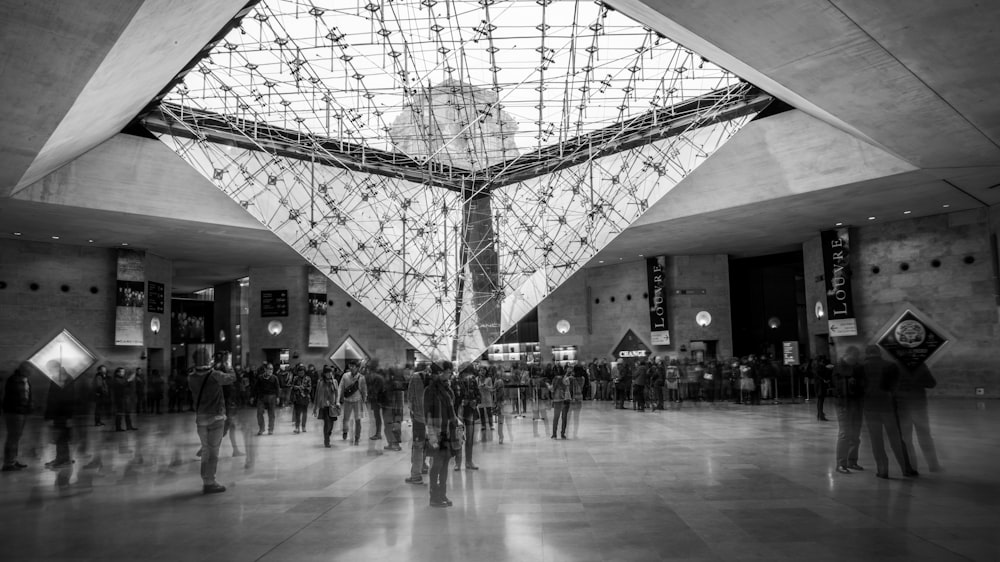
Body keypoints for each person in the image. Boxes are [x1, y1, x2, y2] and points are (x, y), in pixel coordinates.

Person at [861, 345, 914, 479]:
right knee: (895, 438)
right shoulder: (891, 366)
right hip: (887, 407)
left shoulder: (860, 367)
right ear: (879, 353)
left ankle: (883, 470)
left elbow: (859, 387)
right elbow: (895, 388)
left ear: (867, 353)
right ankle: (905, 469)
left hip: (870, 407)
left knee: (876, 440)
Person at [188, 353, 236, 494]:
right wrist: (228, 365)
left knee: (205, 450)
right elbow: (232, 378)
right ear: (208, 360)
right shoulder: (215, 375)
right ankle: (210, 482)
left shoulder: (191, 377)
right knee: (213, 451)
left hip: (201, 417)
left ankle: (205, 479)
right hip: (216, 417)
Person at [896, 362, 942, 474]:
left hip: (902, 407)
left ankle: (912, 467)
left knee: (906, 439)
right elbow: (932, 384)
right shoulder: (920, 366)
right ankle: (933, 466)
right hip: (919, 405)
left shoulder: (895, 366)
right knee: (925, 436)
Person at [425, 361, 458, 507]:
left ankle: (442, 493)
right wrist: (432, 436)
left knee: (445, 464)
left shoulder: (447, 389)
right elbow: (428, 415)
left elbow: (452, 412)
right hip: (436, 432)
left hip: (447, 432)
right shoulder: (430, 391)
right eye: (448, 372)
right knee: (437, 464)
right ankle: (434, 496)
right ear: (440, 373)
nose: (450, 374)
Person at [832, 346, 866, 474]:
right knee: (845, 433)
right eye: (854, 358)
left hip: (857, 404)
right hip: (843, 404)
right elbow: (837, 386)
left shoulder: (858, 368)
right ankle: (841, 463)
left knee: (855, 434)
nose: (855, 360)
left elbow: (863, 384)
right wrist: (850, 381)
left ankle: (852, 461)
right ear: (847, 356)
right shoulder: (838, 367)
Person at [405, 364, 432, 485]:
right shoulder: (432, 378)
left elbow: (410, 398)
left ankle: (416, 475)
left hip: (418, 417)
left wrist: (412, 412)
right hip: (431, 417)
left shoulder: (415, 378)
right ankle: (424, 466)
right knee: (426, 442)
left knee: (417, 445)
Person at [3, 367, 32, 472]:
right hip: (14, 412)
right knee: (13, 437)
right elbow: (14, 397)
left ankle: (13, 460)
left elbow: (27, 395)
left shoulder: (25, 380)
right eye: (30, 369)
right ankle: (8, 463)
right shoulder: (14, 380)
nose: (31, 371)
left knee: (16, 437)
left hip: (21, 411)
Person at [451, 367, 480, 470]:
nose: (469, 375)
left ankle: (469, 461)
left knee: (470, 436)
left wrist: (475, 401)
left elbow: (478, 395)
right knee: (458, 437)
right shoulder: (454, 380)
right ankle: (458, 462)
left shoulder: (472, 381)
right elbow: (452, 397)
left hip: (470, 410)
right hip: (459, 410)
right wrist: (461, 401)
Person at [339, 364, 367, 445]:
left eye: (353, 366)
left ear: (357, 368)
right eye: (350, 366)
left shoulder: (361, 377)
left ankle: (357, 437)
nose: (351, 368)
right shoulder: (345, 376)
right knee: (346, 418)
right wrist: (338, 399)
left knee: (358, 420)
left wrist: (364, 399)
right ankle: (345, 431)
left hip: (357, 401)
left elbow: (364, 390)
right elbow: (341, 387)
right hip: (347, 400)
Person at [313, 367, 340, 448]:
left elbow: (337, 393)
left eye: (331, 372)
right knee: (327, 423)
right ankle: (326, 440)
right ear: (324, 374)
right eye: (327, 373)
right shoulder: (320, 382)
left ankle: (328, 433)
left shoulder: (334, 382)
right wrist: (315, 408)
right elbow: (317, 395)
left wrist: (338, 402)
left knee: (331, 424)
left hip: (333, 406)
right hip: (324, 405)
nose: (329, 374)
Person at [383, 367, 405, 451]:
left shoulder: (391, 384)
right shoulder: (399, 383)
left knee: (389, 426)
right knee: (395, 426)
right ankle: (394, 444)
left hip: (390, 408)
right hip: (396, 408)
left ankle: (393, 444)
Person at [254, 363, 279, 435]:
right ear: (265, 369)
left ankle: (270, 429)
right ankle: (261, 428)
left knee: (271, 414)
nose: (271, 370)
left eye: (272, 369)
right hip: (262, 398)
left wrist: (277, 397)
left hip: (272, 398)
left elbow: (277, 388)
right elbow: (256, 388)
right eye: (269, 369)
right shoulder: (260, 378)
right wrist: (253, 396)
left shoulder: (274, 378)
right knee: (259, 413)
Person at [111, 367, 138, 431]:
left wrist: (130, 380)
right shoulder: (116, 379)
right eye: (122, 372)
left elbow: (128, 385)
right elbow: (122, 384)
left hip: (125, 398)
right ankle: (118, 427)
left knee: (127, 413)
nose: (123, 373)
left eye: (124, 372)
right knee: (120, 413)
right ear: (118, 373)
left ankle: (129, 426)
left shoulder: (123, 378)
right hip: (120, 398)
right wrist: (129, 380)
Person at [549, 370, 571, 439]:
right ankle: (563, 434)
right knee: (564, 418)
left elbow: (551, 389)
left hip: (557, 401)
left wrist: (547, 385)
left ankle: (554, 434)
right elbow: (568, 385)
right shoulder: (565, 380)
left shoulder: (555, 380)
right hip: (566, 400)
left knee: (556, 418)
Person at [290, 366, 312, 434]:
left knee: (304, 413)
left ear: (304, 372)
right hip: (297, 398)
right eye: (299, 373)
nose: (301, 374)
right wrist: (297, 387)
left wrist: (304, 388)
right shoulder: (295, 378)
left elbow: (310, 388)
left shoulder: (308, 378)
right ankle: (297, 427)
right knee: (297, 413)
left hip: (305, 398)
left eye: (302, 372)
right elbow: (292, 386)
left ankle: (303, 426)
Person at [814, 355, 832, 421]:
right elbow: (823, 375)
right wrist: (825, 379)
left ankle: (820, 414)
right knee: (821, 400)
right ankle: (820, 414)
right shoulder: (821, 367)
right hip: (821, 385)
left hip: (818, 384)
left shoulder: (816, 366)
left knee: (820, 400)